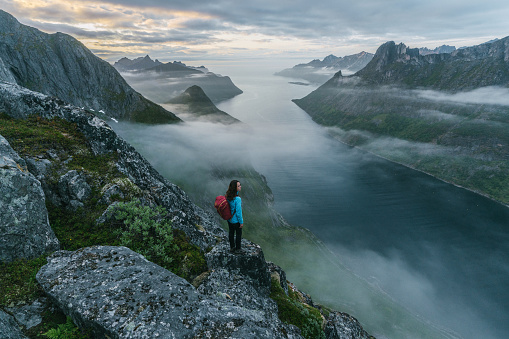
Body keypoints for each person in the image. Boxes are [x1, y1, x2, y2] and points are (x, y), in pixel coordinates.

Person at [226, 180, 243, 253]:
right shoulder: (238, 199)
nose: (240, 186)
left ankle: (232, 247)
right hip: (236, 220)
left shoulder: (228, 196)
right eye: (238, 186)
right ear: (235, 188)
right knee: (238, 234)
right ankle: (238, 249)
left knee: (231, 233)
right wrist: (241, 222)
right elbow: (239, 212)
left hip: (229, 219)